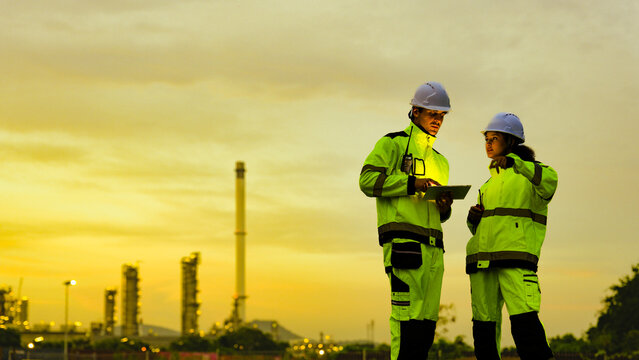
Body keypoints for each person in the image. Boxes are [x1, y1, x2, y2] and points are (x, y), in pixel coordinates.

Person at [359, 82, 454, 359]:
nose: (437, 120)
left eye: (441, 116)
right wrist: (412, 183)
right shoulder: (392, 144)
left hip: (435, 252)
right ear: (414, 111)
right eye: (432, 114)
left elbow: (439, 214)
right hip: (404, 248)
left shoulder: (441, 161)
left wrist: (444, 206)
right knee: (406, 323)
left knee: (426, 327)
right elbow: (367, 181)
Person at [466, 112, 558, 360]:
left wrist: (516, 164)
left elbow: (550, 182)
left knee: (526, 329)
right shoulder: (487, 184)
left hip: (516, 264)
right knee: (483, 331)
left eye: (493, 138)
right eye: (486, 138)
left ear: (511, 141)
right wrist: (473, 219)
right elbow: (482, 228)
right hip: (482, 265)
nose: (488, 143)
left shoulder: (534, 174)